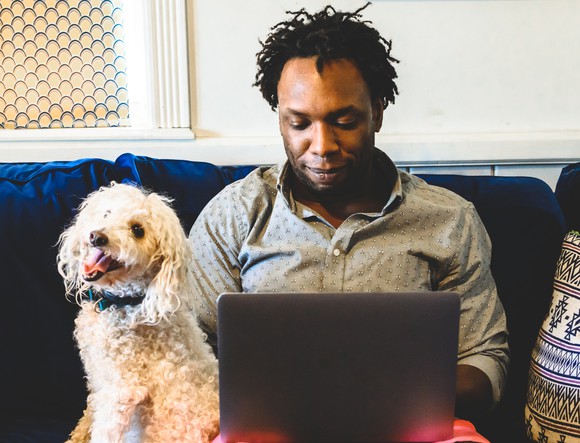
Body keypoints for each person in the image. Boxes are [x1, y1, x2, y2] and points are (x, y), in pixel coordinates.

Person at [189, 3, 509, 423]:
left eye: (343, 120)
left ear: (377, 111)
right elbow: (186, 347)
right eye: (299, 123)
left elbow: (485, 360)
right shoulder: (232, 216)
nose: (321, 145)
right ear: (280, 119)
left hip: (406, 429)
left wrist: (386, 397)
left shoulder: (450, 220)